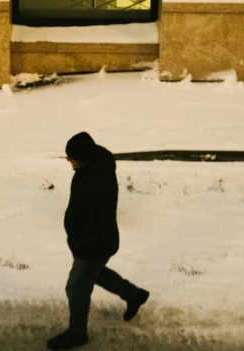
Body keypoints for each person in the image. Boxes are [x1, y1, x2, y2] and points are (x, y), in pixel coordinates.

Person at [47, 131, 149, 350]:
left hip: (93, 244)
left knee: (76, 287)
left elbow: (88, 217)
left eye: (71, 156)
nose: (68, 160)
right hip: (99, 241)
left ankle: (77, 333)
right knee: (94, 273)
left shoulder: (92, 180)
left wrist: (79, 243)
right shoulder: (96, 165)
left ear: (82, 158)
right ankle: (135, 295)